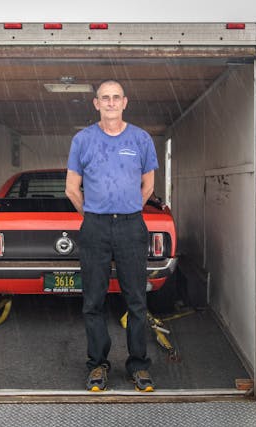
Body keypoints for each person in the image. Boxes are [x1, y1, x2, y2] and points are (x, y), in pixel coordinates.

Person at [65, 79, 158, 392]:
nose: (110, 102)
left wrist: (127, 210)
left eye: (116, 97)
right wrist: (94, 215)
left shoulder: (141, 139)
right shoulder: (83, 140)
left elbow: (148, 186)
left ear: (125, 102)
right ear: (96, 104)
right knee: (93, 301)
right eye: (104, 98)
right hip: (95, 227)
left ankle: (138, 366)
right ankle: (97, 366)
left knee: (136, 300)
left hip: (132, 227)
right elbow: (71, 188)